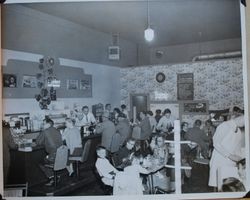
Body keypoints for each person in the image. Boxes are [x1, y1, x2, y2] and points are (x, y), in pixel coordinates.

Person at [208, 116, 245, 188]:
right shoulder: (224, 126)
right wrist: (230, 156)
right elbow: (216, 143)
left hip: (231, 162)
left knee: (229, 185)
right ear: (240, 118)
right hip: (219, 160)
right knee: (219, 184)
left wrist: (240, 157)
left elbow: (237, 147)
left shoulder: (239, 131)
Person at [36, 118, 63, 185]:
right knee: (47, 159)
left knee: (40, 162)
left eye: (43, 123)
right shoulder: (57, 130)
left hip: (53, 156)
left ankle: (52, 177)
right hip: (61, 155)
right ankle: (57, 176)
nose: (42, 125)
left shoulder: (45, 131)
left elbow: (38, 142)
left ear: (48, 124)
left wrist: (42, 132)